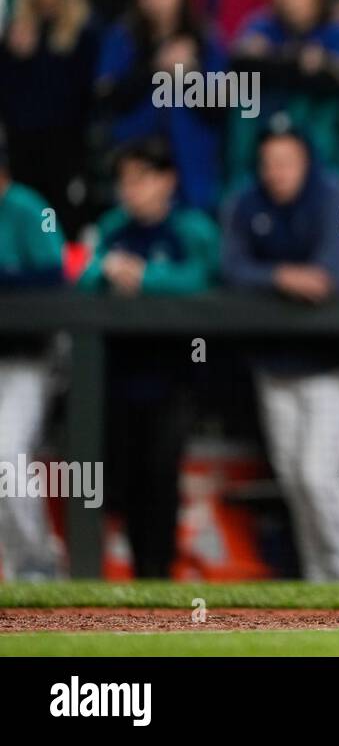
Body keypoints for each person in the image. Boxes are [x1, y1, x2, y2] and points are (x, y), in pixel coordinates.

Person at [222, 125, 339, 581]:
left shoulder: (331, 196)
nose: (277, 173)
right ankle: (319, 585)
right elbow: (231, 268)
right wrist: (283, 277)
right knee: (293, 480)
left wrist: (276, 278)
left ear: (305, 162)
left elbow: (331, 278)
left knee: (318, 477)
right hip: (273, 365)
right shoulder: (247, 202)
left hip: (328, 364)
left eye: (286, 162)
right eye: (269, 163)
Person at [78, 137, 222, 577]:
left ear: (167, 181)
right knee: (117, 479)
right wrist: (106, 271)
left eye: (142, 178)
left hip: (174, 374)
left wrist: (146, 276)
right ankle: (107, 572)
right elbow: (81, 280)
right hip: (116, 373)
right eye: (125, 179)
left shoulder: (192, 228)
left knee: (161, 475)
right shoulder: (112, 227)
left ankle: (157, 575)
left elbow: (206, 279)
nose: (131, 188)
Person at [94, 0, 227, 214]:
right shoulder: (123, 39)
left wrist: (189, 75)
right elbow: (108, 99)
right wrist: (156, 66)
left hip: (193, 166)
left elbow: (220, 109)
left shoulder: (207, 40)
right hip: (137, 163)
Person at [227, 0, 339, 184]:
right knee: (243, 99)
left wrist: (323, 64)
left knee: (321, 106)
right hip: (267, 111)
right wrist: (297, 62)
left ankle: (317, 179)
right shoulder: (263, 24)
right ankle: (241, 182)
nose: (293, 1)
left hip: (314, 117)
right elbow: (241, 62)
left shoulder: (338, 32)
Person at [0, 0, 99, 236]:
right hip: (23, 145)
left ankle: (63, 271)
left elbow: (84, 92)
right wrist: (16, 58)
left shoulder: (85, 30)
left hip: (67, 146)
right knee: (32, 215)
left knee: (62, 216)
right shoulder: (16, 30)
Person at [0, 134, 65, 580]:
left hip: (29, 356)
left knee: (6, 455)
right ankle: (21, 562)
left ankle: (37, 560)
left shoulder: (31, 208)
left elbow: (53, 278)